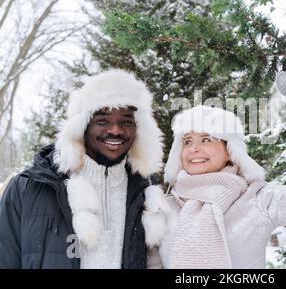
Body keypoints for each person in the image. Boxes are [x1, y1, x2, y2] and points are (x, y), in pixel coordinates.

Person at [142, 71, 286, 269]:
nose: (194, 149)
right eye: (187, 142)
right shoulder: (165, 207)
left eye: (206, 139)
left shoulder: (258, 201)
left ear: (229, 151)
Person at [0, 69, 164, 269]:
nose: (116, 130)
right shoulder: (28, 188)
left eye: (126, 121)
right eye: (102, 120)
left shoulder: (148, 193)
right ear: (82, 127)